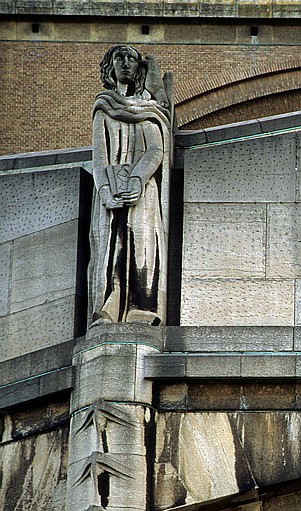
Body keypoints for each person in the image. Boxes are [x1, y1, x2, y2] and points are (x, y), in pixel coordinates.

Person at [88, 45, 172, 327]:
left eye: (131, 59)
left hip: (142, 186)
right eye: (119, 58)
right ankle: (108, 307)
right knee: (110, 244)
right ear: (110, 67)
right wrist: (103, 190)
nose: (125, 63)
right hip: (110, 185)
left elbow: (155, 150)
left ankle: (142, 306)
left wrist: (137, 179)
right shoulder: (103, 107)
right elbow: (99, 158)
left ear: (139, 69)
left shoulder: (148, 110)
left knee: (142, 242)